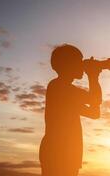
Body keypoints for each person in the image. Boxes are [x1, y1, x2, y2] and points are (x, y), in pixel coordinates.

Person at [39, 44, 102, 176]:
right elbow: (94, 100)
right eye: (79, 62)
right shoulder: (59, 87)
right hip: (58, 152)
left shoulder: (64, 91)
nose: (82, 65)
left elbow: (94, 113)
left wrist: (93, 75)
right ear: (68, 65)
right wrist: (93, 75)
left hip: (68, 152)